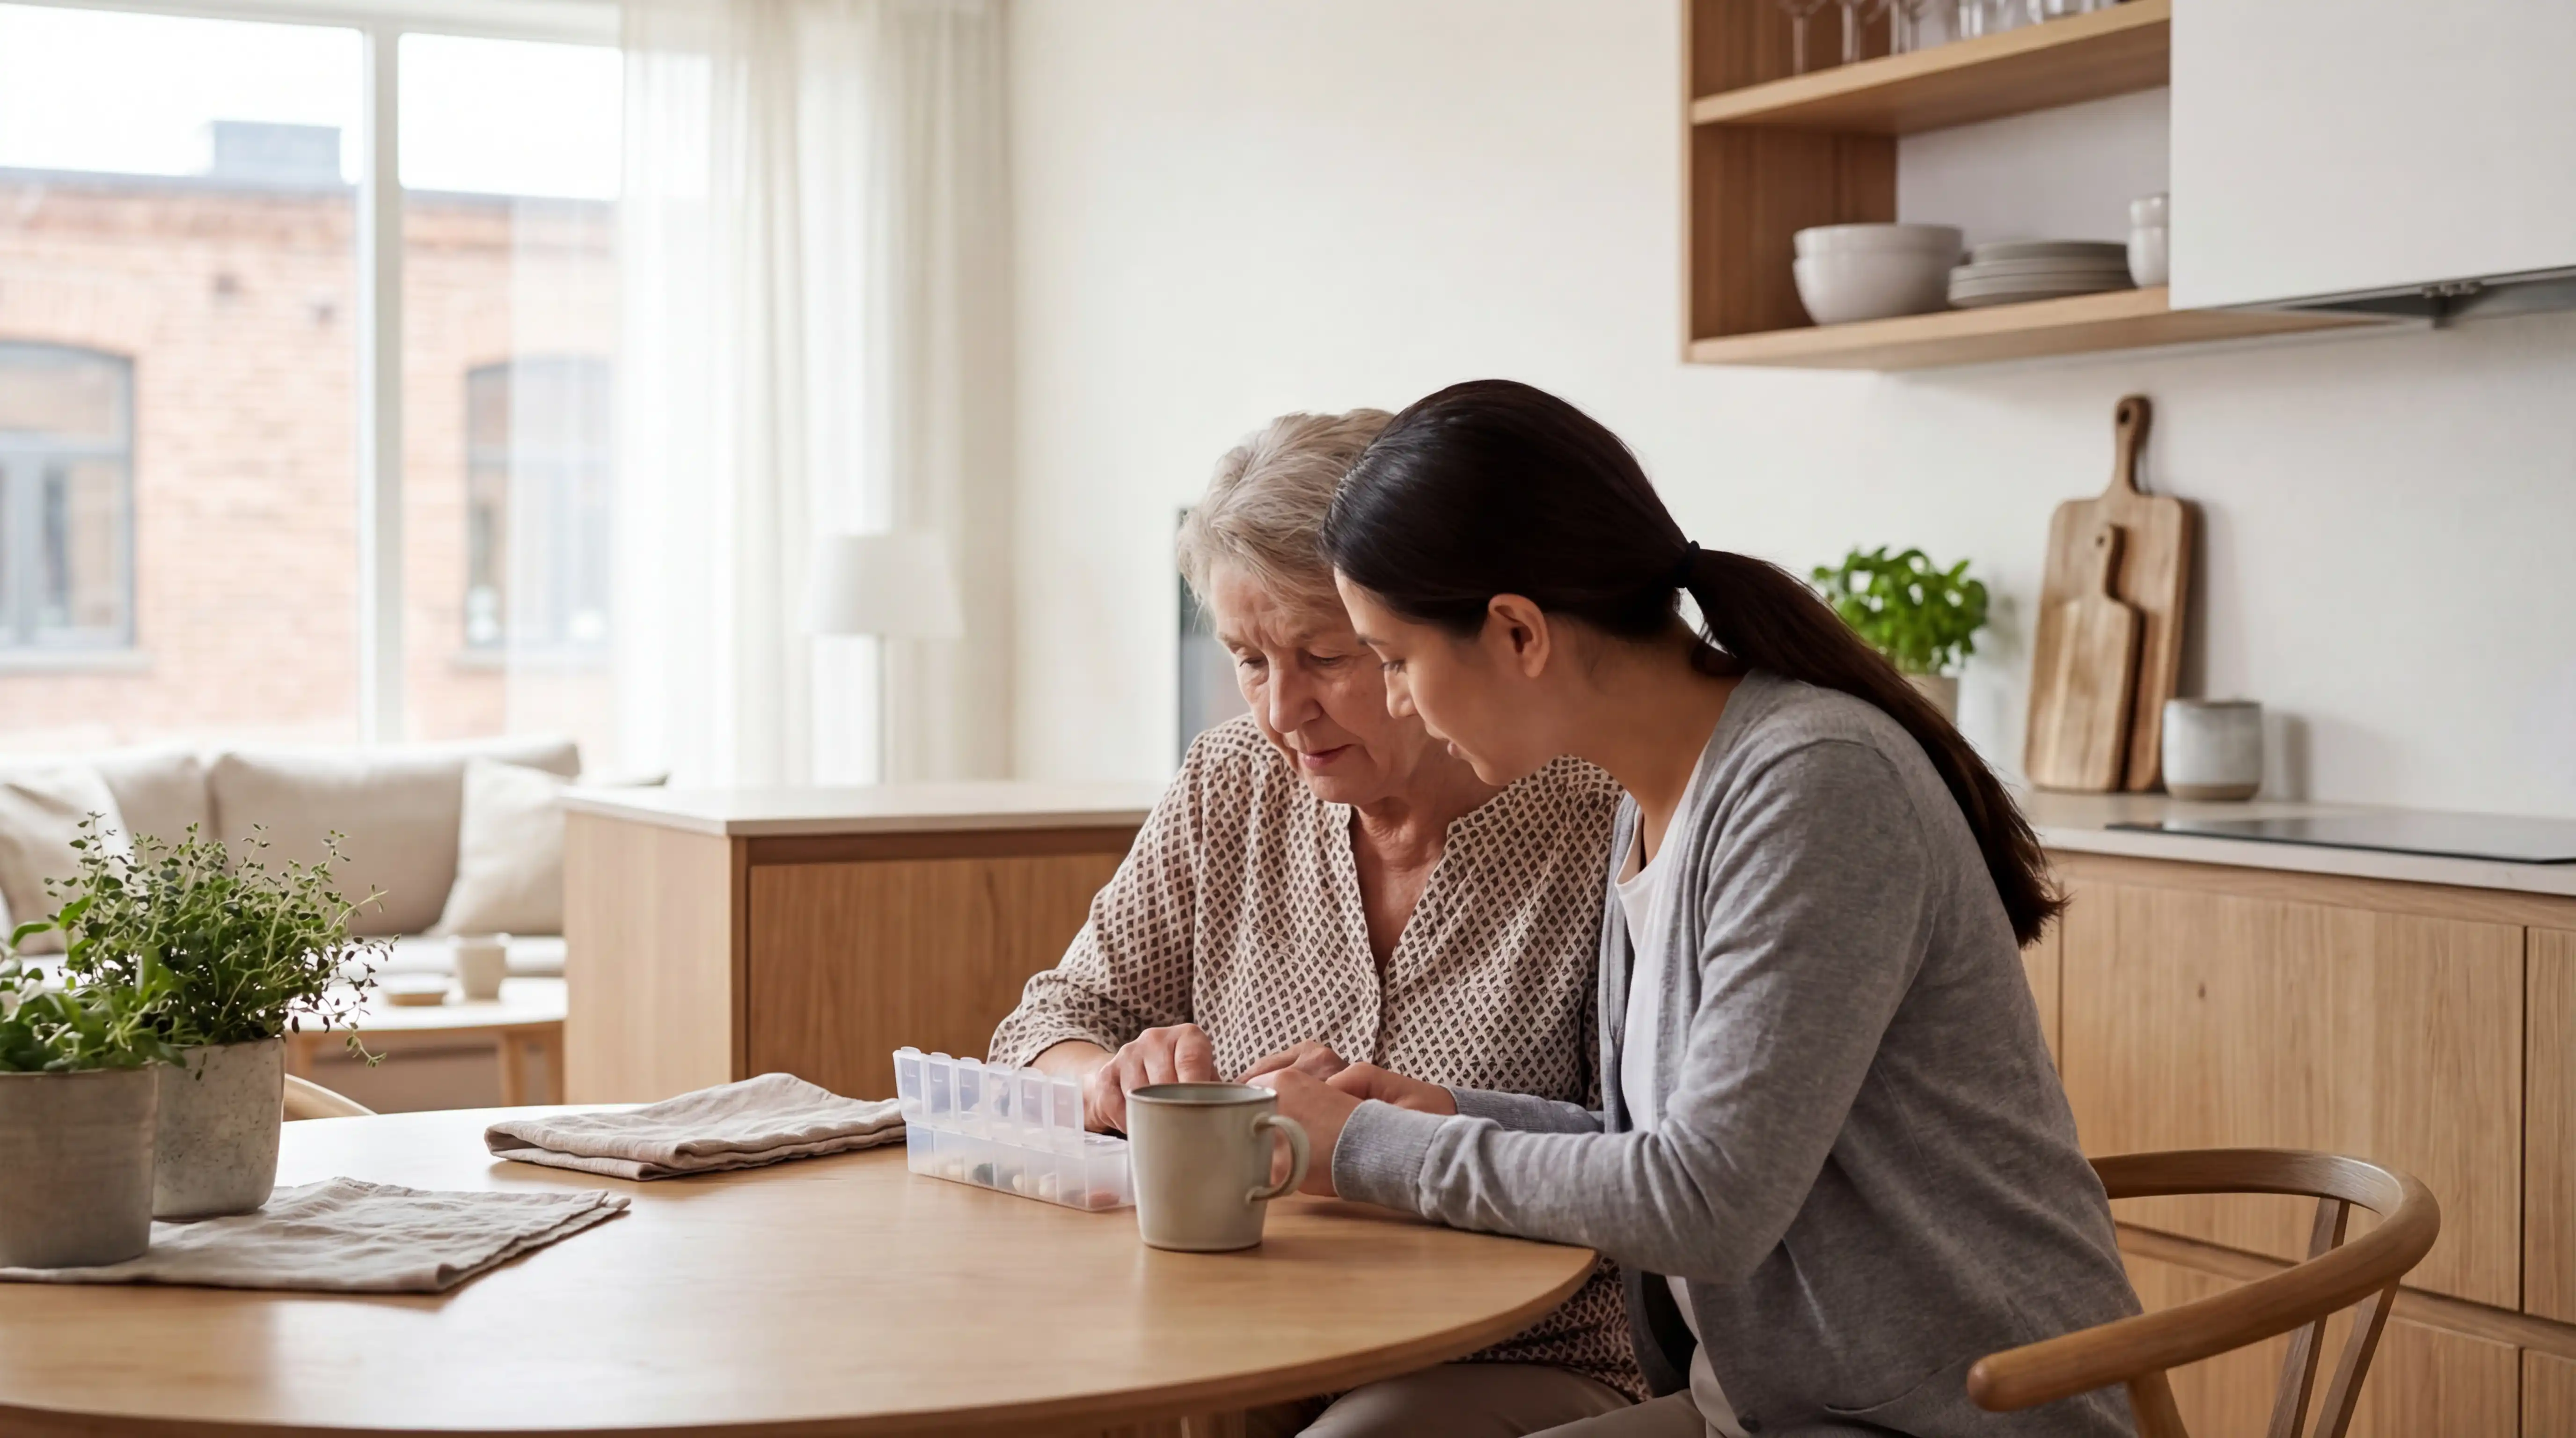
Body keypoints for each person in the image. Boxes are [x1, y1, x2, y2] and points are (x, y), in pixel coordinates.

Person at [1251, 380, 2142, 1438]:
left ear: (1517, 632)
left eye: (1395, 660)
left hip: (1964, 1417)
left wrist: (1356, 1146)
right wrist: (1443, 1115)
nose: (1395, 700)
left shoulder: (1812, 784)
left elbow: (1704, 1204)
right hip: (1776, 1411)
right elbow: (1684, 1145)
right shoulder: (1659, 804)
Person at [987, 409, 1645, 1435]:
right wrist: (1107, 1077)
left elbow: (1648, 1163)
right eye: (1250, 660)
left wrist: (1395, 1136)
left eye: (1325, 657)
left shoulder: (1599, 817)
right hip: (1237, 1331)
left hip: (1520, 1346)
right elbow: (1050, 1017)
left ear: (1412, 636)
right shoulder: (1229, 783)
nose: (1281, 711)